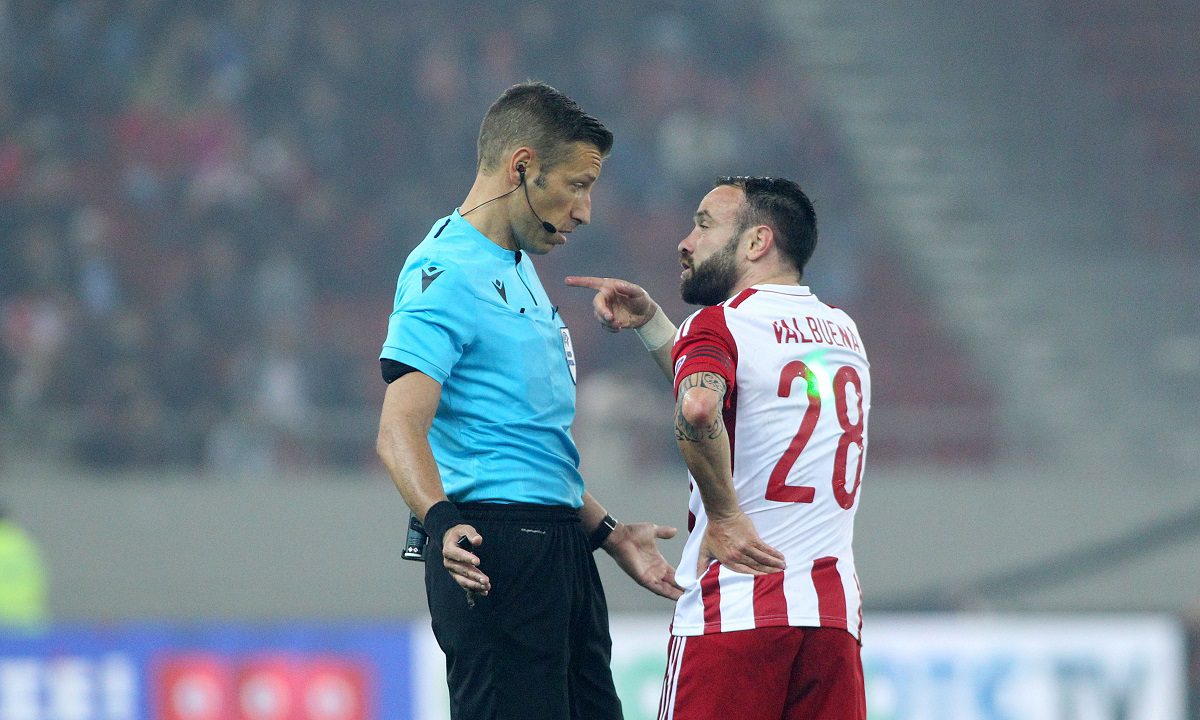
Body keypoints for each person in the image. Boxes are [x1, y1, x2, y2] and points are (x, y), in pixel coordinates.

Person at [375, 81, 683, 720]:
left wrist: (606, 532)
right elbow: (398, 427)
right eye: (577, 185)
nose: (585, 211)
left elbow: (528, 444)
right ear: (522, 167)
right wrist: (440, 521)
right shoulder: (443, 271)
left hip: (560, 548)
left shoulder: (516, 266)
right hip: (493, 550)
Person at [567, 176, 870, 719]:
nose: (686, 242)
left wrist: (725, 515)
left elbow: (700, 406)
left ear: (757, 241)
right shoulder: (841, 331)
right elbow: (750, 396)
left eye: (703, 225)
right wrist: (655, 325)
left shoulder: (719, 323)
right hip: (831, 621)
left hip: (736, 611)